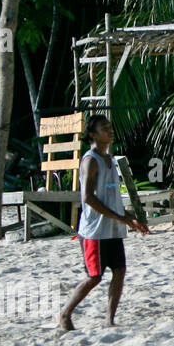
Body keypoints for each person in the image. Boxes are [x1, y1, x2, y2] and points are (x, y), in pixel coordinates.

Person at [58, 115, 150, 331]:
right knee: (94, 277)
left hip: (112, 229)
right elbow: (88, 197)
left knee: (119, 270)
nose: (110, 131)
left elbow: (113, 200)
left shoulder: (111, 160)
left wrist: (130, 219)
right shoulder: (90, 160)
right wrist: (120, 218)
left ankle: (109, 319)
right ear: (93, 134)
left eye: (110, 127)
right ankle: (65, 314)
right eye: (104, 128)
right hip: (94, 231)